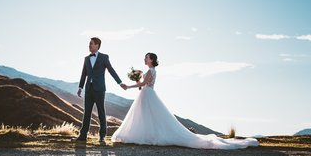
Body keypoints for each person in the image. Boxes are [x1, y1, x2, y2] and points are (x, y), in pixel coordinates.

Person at [111, 53, 259, 149]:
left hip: (147, 94)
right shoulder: (150, 71)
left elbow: (144, 84)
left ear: (152, 60)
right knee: (147, 116)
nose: (144, 59)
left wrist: (129, 85)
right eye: (145, 57)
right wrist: (138, 80)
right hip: (147, 94)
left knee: (146, 116)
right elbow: (143, 85)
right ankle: (148, 134)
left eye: (146, 57)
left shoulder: (150, 71)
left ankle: (148, 135)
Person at [73, 37, 127, 143]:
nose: (89, 45)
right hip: (88, 89)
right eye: (89, 44)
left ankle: (102, 136)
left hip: (99, 89)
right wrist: (80, 87)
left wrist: (120, 82)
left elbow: (111, 70)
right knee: (87, 113)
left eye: (91, 44)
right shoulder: (86, 59)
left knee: (101, 112)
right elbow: (84, 73)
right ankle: (82, 136)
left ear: (97, 45)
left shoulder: (104, 57)